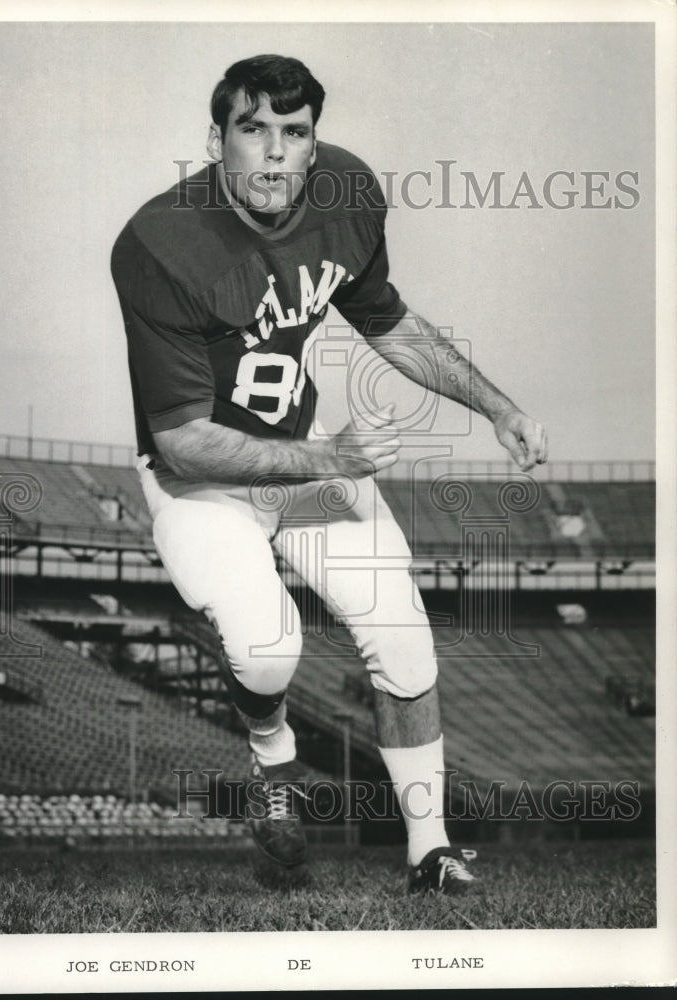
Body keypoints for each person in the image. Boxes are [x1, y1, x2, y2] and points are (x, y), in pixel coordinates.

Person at [111, 54, 547, 894]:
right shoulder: (160, 241)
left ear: (315, 143)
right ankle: (273, 766)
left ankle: (430, 849)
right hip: (201, 478)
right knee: (268, 653)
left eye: (294, 133)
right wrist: (328, 457)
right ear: (217, 139)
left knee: (402, 638)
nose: (274, 152)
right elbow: (184, 444)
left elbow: (383, 316)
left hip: (305, 451)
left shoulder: (345, 192)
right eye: (253, 130)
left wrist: (495, 405)